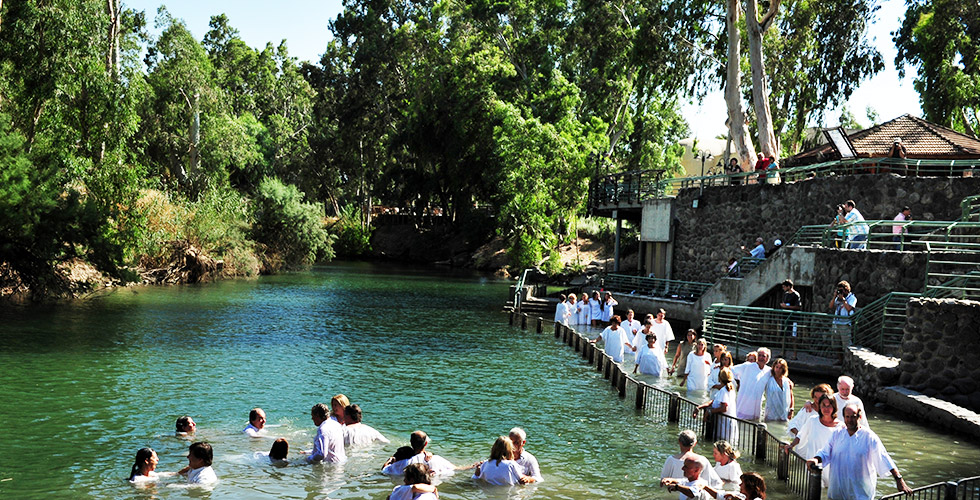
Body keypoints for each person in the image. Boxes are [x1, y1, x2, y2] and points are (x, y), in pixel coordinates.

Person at [807, 404, 912, 500]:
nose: (850, 420)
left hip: (860, 493)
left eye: (853, 416)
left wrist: (899, 479)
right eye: (847, 417)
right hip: (837, 491)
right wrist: (815, 459)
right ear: (843, 418)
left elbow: (883, 457)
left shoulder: (869, 437)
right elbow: (825, 452)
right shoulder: (837, 434)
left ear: (859, 417)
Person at [786, 394, 841, 487]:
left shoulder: (841, 426)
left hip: (832, 468)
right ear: (819, 406)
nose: (826, 409)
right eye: (824, 405)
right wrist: (791, 445)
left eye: (829, 406)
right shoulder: (813, 421)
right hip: (813, 464)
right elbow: (800, 435)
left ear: (834, 407)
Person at [382, 430, 458, 475]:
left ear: (411, 442)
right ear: (425, 444)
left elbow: (384, 471)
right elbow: (457, 469)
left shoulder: (401, 464)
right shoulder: (436, 459)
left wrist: (389, 460)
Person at [694, 367, 738, 445]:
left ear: (719, 378)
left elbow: (724, 408)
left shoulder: (724, 391)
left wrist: (709, 411)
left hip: (724, 424)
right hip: (727, 423)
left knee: (723, 444)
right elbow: (714, 401)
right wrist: (700, 407)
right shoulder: (728, 389)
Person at [734, 347, 772, 420]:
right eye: (759, 355)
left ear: (767, 358)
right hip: (743, 404)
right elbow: (731, 371)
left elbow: (778, 377)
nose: (761, 357)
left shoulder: (769, 371)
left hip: (756, 407)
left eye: (763, 356)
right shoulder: (747, 366)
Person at [829, 281, 857, 350]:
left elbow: (849, 309)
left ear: (846, 290)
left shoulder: (852, 298)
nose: (840, 292)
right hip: (836, 323)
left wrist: (843, 300)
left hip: (845, 324)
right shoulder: (838, 297)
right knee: (836, 345)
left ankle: (846, 360)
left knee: (846, 345)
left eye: (842, 290)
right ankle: (840, 360)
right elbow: (830, 306)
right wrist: (834, 296)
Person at [778, 279, 802, 359]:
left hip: (793, 318)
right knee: (784, 335)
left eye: (784, 287)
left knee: (793, 336)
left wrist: (787, 307)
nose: (783, 289)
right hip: (785, 318)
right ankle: (783, 353)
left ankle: (794, 355)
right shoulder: (786, 294)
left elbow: (798, 306)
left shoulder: (796, 295)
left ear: (789, 286)